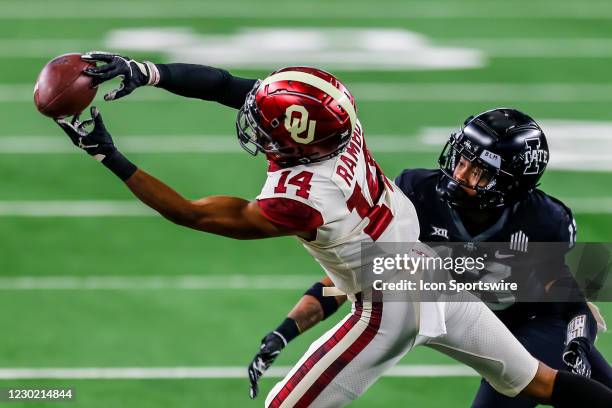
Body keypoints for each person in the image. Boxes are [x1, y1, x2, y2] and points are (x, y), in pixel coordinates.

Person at [53, 52, 612, 407]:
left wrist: (109, 156)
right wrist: (148, 72)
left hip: (392, 304)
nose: (256, 126)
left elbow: (191, 214)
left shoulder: (303, 200)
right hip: (421, 270)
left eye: (270, 129)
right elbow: (232, 86)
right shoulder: (344, 124)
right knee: (539, 382)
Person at [248, 107, 612, 407]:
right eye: (462, 160)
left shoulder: (547, 220)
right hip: (468, 316)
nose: (460, 174)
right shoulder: (417, 192)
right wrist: (286, 330)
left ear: (512, 184)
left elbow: (571, 300)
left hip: (531, 322)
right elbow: (353, 276)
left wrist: (576, 342)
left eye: (480, 172)